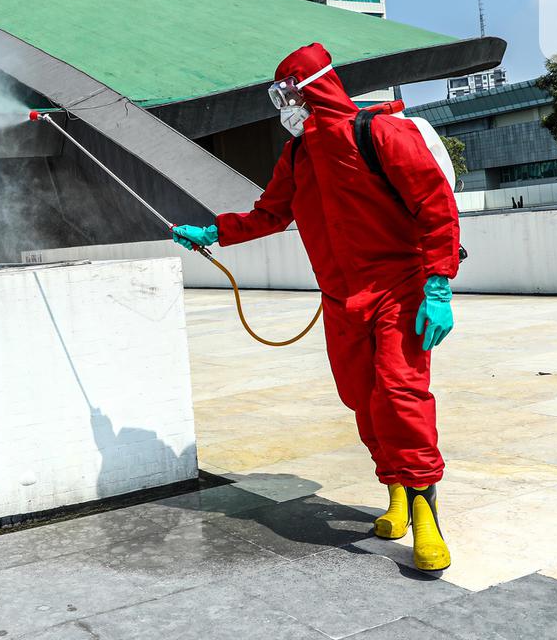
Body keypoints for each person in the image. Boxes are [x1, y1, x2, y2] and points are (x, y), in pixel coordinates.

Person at [172, 43, 459, 571]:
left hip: (401, 288)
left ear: (312, 89)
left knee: (399, 393)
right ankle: (395, 490)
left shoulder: (381, 135)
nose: (285, 108)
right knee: (361, 397)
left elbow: (435, 205)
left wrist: (439, 286)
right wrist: (214, 231)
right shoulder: (299, 156)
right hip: (341, 298)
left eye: (287, 95)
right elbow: (269, 214)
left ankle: (425, 512)